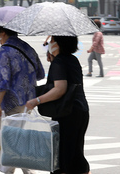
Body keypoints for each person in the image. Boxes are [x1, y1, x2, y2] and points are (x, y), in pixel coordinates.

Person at [26, 36, 91, 174]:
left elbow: (59, 89)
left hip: (68, 113)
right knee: (75, 152)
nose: (49, 43)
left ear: (59, 43)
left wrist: (35, 101)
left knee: (63, 157)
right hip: (80, 110)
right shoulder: (72, 59)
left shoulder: (60, 62)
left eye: (52, 40)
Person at [0, 25, 45, 174]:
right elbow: (41, 74)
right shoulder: (27, 47)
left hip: (12, 102)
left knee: (11, 141)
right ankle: (26, 171)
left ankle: (14, 171)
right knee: (18, 138)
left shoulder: (3, 51)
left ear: (2, 33)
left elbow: (3, 81)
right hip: (28, 101)